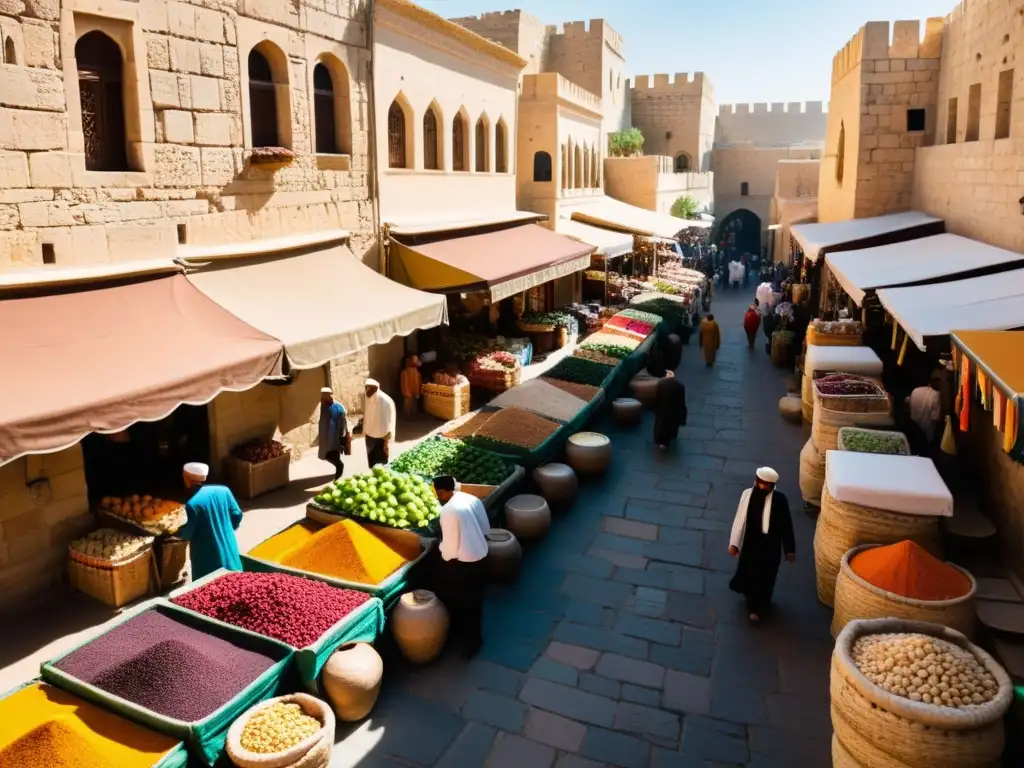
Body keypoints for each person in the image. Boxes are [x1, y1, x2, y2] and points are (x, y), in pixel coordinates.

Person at [728, 467, 796, 622]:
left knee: (766, 576)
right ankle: (752, 600)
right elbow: (740, 519)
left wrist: (789, 549)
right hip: (751, 542)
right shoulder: (747, 495)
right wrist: (734, 543)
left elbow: (786, 525)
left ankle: (758, 608)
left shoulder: (780, 500)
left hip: (770, 545)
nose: (763, 487)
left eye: (767, 484)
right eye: (761, 483)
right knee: (750, 572)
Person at [433, 475, 490, 657]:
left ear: (444, 491)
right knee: (475, 600)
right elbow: (486, 528)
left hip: (462, 563)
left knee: (462, 600)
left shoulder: (449, 511)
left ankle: (469, 641)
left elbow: (450, 547)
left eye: (438, 493)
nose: (437, 496)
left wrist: (444, 555)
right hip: (481, 554)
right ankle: (473, 637)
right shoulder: (471, 498)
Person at [177, 462, 244, 580]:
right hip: (231, 553)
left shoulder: (191, 504)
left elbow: (186, 534)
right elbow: (237, 515)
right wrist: (225, 529)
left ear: (187, 479)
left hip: (208, 561)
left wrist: (175, 530)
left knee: (210, 591)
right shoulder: (224, 491)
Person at [906, 374, 943, 456]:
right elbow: (935, 417)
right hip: (927, 431)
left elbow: (909, 405)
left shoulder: (916, 390)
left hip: (914, 426)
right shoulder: (936, 395)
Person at [318, 386, 349, 480]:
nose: (323, 397)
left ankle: (339, 467)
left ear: (330, 395)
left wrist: (342, 437)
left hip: (334, 437)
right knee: (328, 454)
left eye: (325, 395)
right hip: (325, 436)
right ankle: (338, 468)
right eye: (322, 395)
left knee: (331, 454)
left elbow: (342, 423)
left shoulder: (337, 407)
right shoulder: (323, 404)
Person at [363, 378, 395, 467]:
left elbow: (390, 421)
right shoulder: (367, 397)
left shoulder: (386, 401)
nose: (368, 390)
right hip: (369, 432)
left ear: (376, 388)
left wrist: (388, 438)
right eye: (367, 388)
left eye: (371, 388)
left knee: (381, 456)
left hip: (382, 435)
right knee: (371, 456)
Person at [653, 373, 687, 450]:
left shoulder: (661, 384)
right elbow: (681, 402)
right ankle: (671, 436)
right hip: (674, 407)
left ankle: (661, 441)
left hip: (663, 406)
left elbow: (657, 397)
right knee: (672, 421)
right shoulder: (680, 386)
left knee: (662, 422)